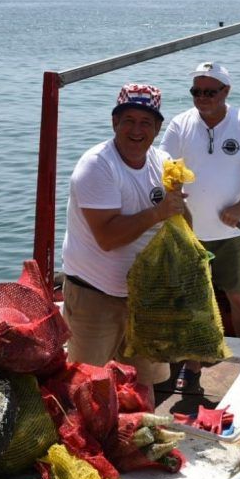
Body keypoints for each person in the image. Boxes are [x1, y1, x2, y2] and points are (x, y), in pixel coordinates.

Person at [60, 83, 187, 393]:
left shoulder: (163, 162)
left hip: (145, 297)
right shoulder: (97, 166)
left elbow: (182, 223)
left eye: (146, 122)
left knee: (144, 383)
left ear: (158, 128)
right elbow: (107, 237)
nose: (136, 130)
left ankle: (145, 438)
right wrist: (159, 212)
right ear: (114, 122)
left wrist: (178, 206)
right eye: (128, 120)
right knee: (85, 386)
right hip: (95, 296)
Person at [159, 61, 240, 394]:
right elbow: (162, 168)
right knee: (191, 301)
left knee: (239, 297)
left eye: (210, 91)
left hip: (232, 233)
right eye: (196, 91)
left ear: (226, 92)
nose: (202, 97)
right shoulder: (181, 124)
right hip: (188, 234)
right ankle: (191, 363)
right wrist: (172, 195)